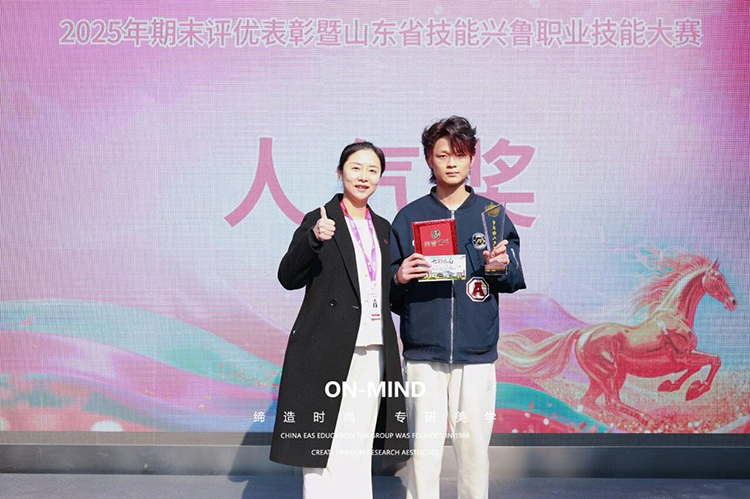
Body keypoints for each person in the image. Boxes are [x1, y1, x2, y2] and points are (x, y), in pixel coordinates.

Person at [390, 116, 526, 499]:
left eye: (460, 154)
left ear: (472, 158)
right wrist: (399, 276)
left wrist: (501, 267)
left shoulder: (492, 216)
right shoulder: (409, 217)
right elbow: (388, 290)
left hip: (476, 353)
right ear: (428, 159)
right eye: (442, 155)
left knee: (474, 454)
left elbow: (513, 276)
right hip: (424, 354)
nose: (451, 163)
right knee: (423, 454)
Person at [270, 142, 409, 499]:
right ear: (340, 171)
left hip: (374, 346)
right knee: (323, 442)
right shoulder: (320, 220)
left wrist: (401, 279)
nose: (364, 177)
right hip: (326, 346)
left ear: (380, 177)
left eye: (372, 170)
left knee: (358, 441)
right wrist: (313, 239)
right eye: (356, 167)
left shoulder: (383, 228)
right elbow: (288, 276)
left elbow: (384, 291)